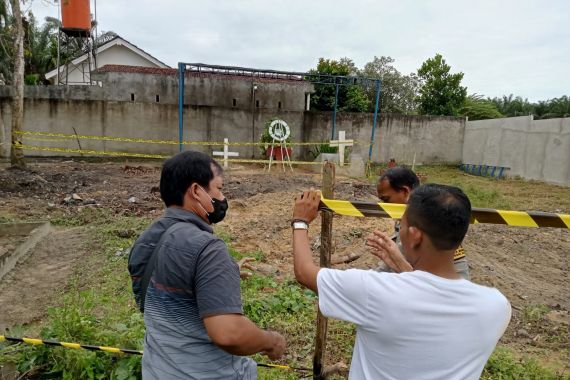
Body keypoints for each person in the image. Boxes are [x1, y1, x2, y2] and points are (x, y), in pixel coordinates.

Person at [291, 185, 511, 379]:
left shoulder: (375, 291)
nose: (399, 231)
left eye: (402, 226)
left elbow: (304, 272)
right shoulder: (496, 307)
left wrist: (300, 221)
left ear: (415, 236)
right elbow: (429, 293)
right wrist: (403, 266)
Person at [128, 151, 285, 379]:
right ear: (196, 191)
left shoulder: (144, 242)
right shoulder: (207, 248)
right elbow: (229, 334)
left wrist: (222, 274)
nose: (222, 198)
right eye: (219, 189)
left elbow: (162, 288)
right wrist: (271, 341)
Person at [377, 167, 470, 279]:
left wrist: (402, 267)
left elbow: (454, 276)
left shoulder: (433, 223)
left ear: (405, 191)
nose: (384, 205)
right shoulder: (407, 222)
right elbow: (392, 262)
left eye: (386, 199)